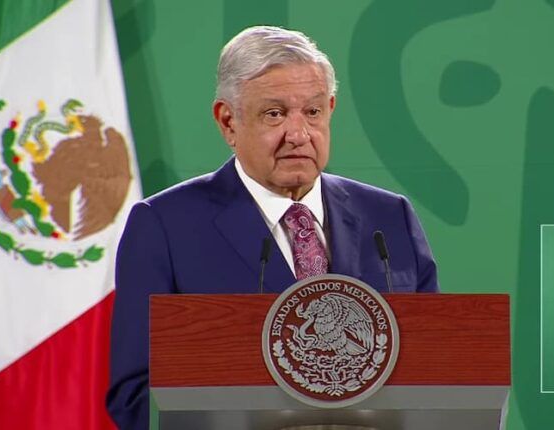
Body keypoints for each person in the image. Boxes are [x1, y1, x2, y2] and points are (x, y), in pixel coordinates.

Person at [105, 26, 439, 429]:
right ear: (228, 121)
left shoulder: (389, 218)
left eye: (313, 112)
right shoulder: (165, 226)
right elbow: (135, 395)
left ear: (330, 109)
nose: (298, 135)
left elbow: (437, 370)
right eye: (275, 114)